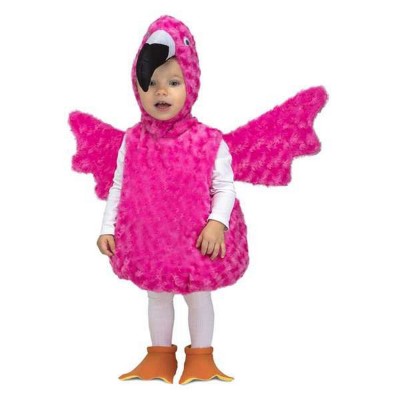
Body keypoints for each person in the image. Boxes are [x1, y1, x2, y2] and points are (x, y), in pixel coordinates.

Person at [95, 16, 249, 384]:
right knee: (157, 296)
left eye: (174, 82)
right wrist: (106, 227)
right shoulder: (132, 141)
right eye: (152, 83)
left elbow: (225, 187)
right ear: (138, 87)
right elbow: (118, 184)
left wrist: (217, 222)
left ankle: (201, 358)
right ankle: (160, 356)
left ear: (191, 85)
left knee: (198, 296)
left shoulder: (208, 141)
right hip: (152, 240)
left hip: (196, 238)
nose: (161, 92)